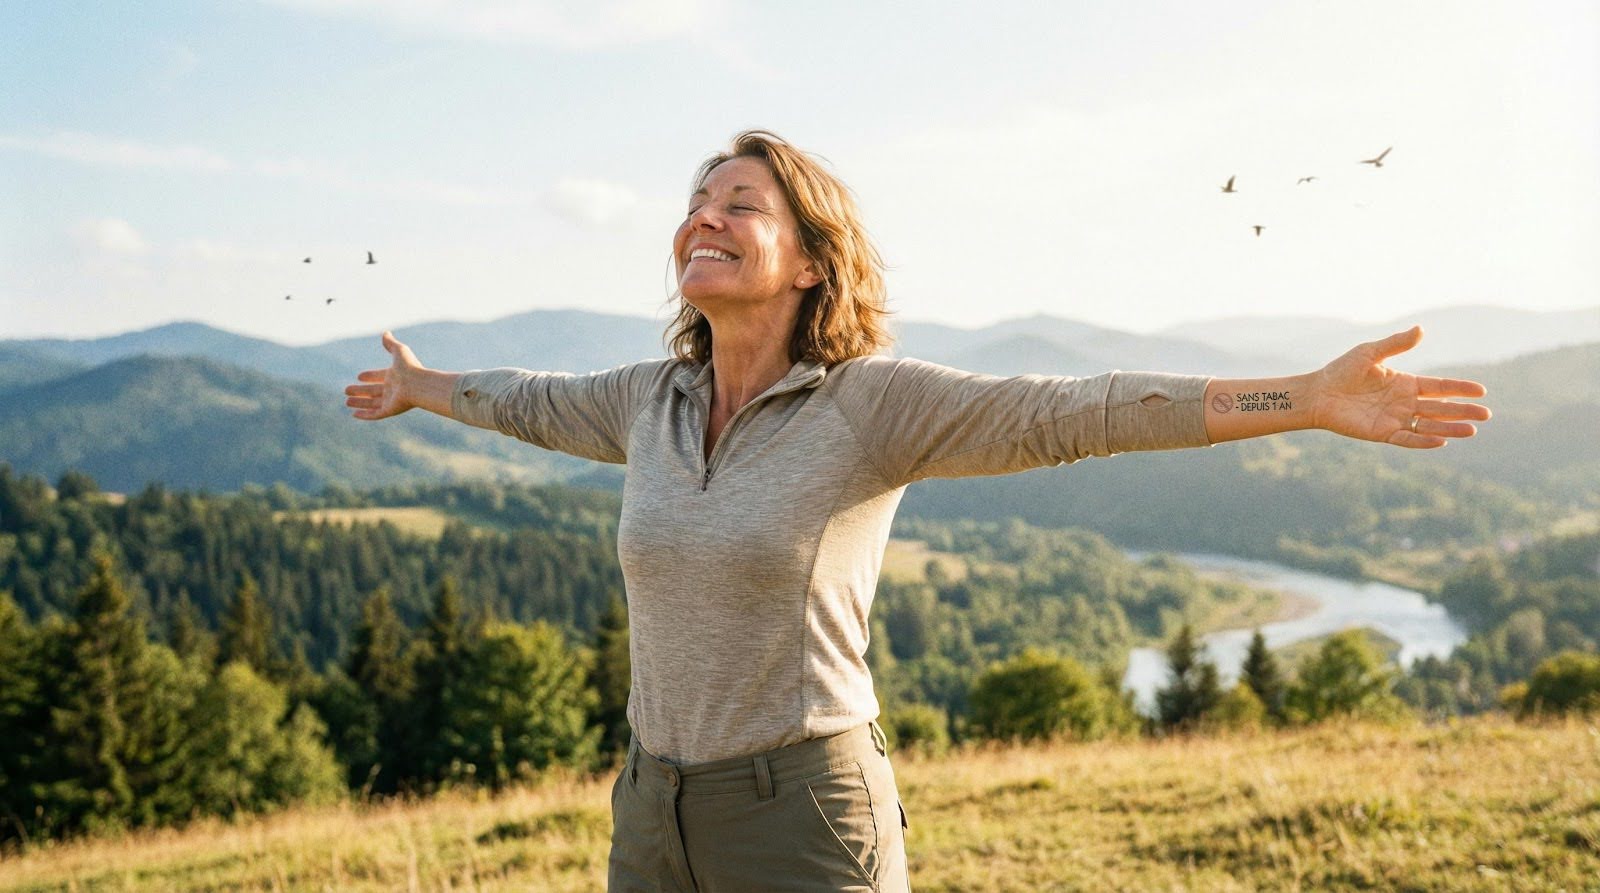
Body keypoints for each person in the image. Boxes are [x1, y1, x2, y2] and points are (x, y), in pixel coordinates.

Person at [343, 130, 1490, 892]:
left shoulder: (868, 404)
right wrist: (420, 387)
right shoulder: (649, 398)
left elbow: (1077, 409)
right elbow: (524, 399)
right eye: (696, 202)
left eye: (739, 204)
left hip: (799, 811)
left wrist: (1303, 397)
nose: (703, 216)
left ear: (806, 261)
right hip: (649, 811)